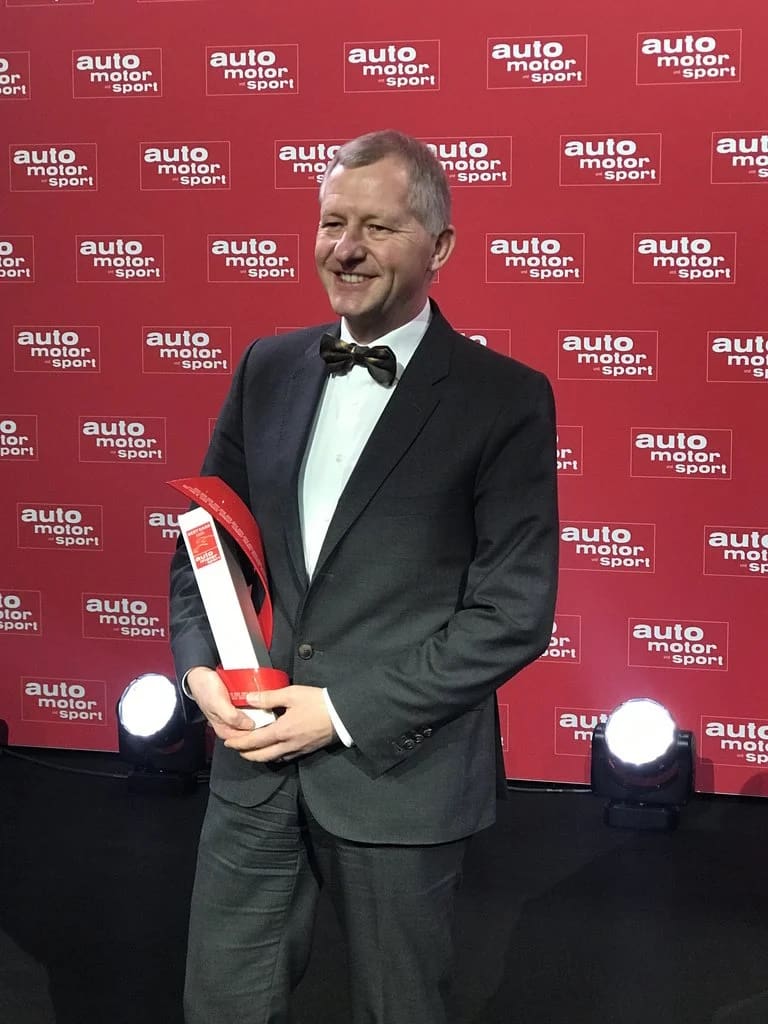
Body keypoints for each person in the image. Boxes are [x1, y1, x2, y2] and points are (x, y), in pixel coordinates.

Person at [170, 129, 559, 1024]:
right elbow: (204, 538)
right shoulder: (267, 367)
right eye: (332, 223)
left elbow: (512, 614)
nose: (345, 249)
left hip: (400, 778)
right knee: (222, 1007)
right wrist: (199, 671)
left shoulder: (504, 398)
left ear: (440, 246)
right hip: (253, 765)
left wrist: (341, 711)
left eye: (378, 228)